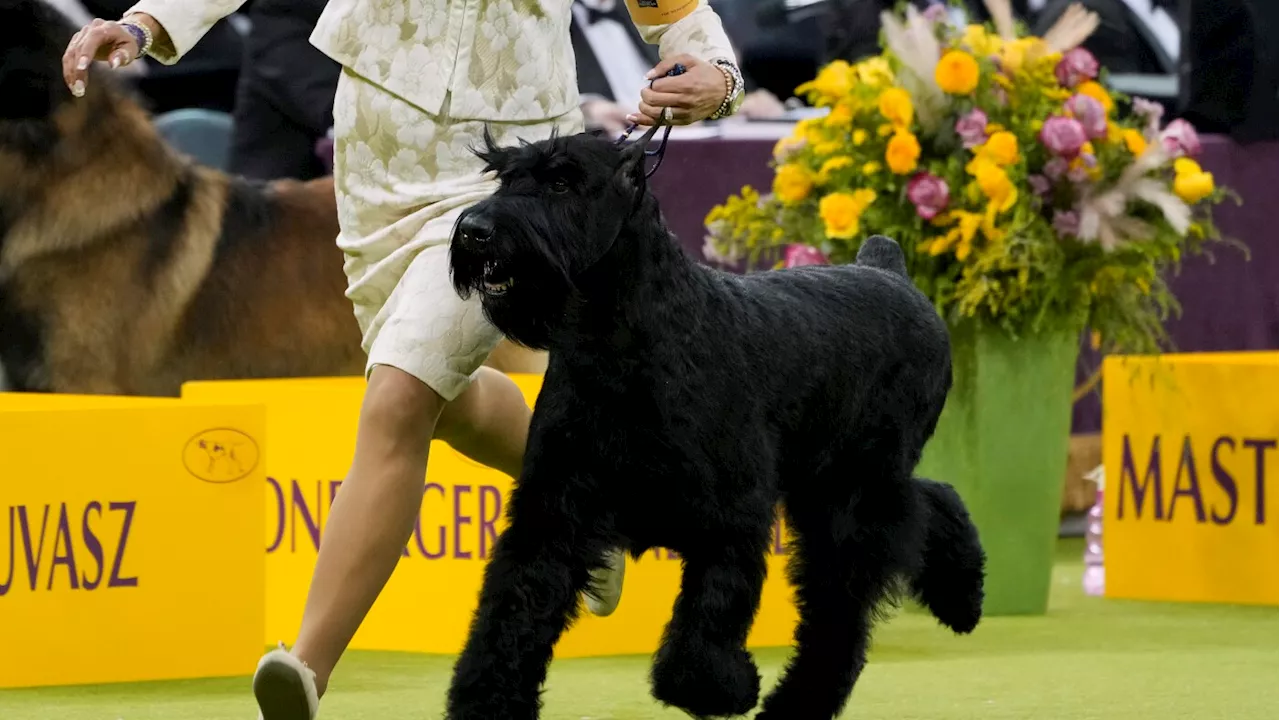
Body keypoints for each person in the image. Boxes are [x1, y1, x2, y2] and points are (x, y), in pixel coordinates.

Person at [61, 1, 745, 719]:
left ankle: (305, 667)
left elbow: (675, 10)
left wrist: (717, 72)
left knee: (399, 397)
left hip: (506, 173)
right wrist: (145, 24)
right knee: (443, 399)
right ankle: (596, 500)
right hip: (375, 160)